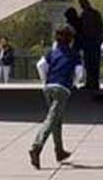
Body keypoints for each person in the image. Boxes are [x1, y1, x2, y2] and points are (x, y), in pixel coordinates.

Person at [29, 25, 82, 169]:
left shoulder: (52, 52)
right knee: (51, 119)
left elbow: (40, 65)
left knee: (56, 119)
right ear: (70, 39)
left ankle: (59, 151)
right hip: (63, 88)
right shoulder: (74, 54)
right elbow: (79, 72)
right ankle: (36, 147)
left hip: (49, 87)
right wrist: (74, 83)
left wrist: (44, 80)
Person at [75, 0, 103, 96]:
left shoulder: (94, 14)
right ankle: (89, 82)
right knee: (88, 64)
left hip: (93, 42)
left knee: (93, 63)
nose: (82, 6)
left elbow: (100, 28)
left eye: (82, 4)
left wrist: (99, 40)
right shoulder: (84, 15)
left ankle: (94, 83)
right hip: (88, 42)